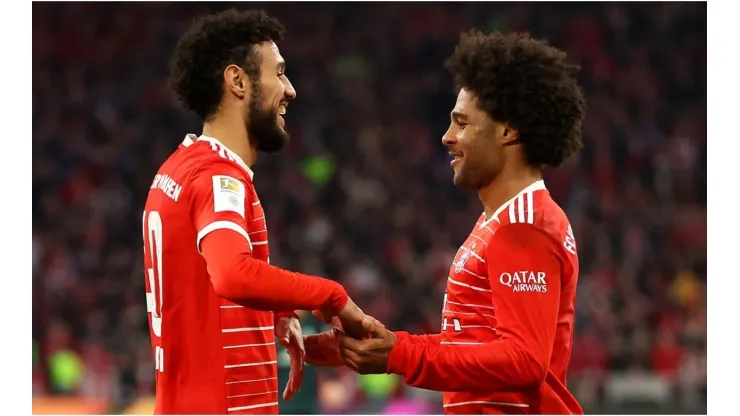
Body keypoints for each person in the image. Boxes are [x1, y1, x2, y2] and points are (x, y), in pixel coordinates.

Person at [321, 30, 587, 414]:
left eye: (462, 123)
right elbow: (470, 344)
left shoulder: (524, 226)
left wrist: (401, 356)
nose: (447, 137)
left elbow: (525, 360)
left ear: (507, 130)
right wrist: (381, 345)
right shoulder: (496, 222)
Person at [142, 9, 365, 415]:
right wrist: (331, 296)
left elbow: (204, 283)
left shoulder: (179, 168)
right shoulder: (216, 177)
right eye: (278, 73)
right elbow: (231, 274)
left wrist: (279, 312)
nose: (290, 89)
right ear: (238, 81)